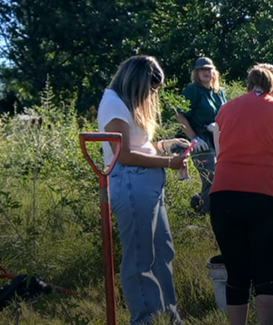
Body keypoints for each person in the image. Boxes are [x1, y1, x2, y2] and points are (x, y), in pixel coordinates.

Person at [208, 63, 273, 325]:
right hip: (266, 198)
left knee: (237, 274)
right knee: (266, 276)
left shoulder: (225, 109)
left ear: (249, 85)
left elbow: (220, 156)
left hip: (224, 198)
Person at [96, 55, 186, 325]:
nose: (152, 95)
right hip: (131, 182)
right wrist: (170, 162)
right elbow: (123, 155)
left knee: (163, 251)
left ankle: (168, 316)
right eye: (151, 89)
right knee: (140, 256)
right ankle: (146, 320)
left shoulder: (126, 103)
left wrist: (167, 145)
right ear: (136, 82)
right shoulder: (113, 103)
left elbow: (139, 146)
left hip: (147, 183)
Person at [176, 57, 228, 215]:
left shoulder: (219, 92)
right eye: (202, 69)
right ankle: (204, 214)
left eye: (209, 69)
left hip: (219, 139)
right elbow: (180, 115)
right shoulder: (192, 90)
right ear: (196, 73)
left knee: (224, 177)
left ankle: (203, 205)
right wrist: (193, 138)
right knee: (211, 178)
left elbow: (227, 115)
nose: (206, 72)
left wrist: (219, 127)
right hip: (201, 140)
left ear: (214, 72)